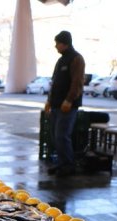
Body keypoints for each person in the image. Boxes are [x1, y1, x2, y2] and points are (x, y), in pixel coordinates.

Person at [44, 30, 86, 176]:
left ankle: (68, 165)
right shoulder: (61, 60)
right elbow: (55, 82)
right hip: (56, 104)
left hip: (67, 106)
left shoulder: (76, 59)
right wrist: (49, 101)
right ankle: (61, 163)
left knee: (62, 136)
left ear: (64, 43)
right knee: (56, 136)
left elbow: (77, 82)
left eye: (57, 43)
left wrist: (69, 100)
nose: (56, 46)